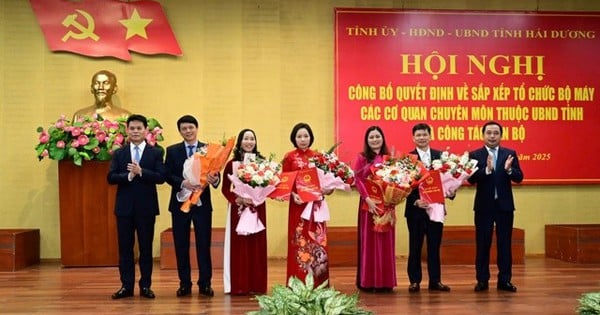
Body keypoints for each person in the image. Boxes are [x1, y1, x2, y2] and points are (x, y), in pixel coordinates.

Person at [107, 114, 166, 299]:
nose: (135, 131)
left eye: (139, 128)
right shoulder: (119, 153)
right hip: (124, 208)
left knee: (146, 248)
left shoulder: (155, 152)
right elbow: (111, 177)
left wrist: (141, 172)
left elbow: (160, 177)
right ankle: (126, 286)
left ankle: (146, 286)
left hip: (146, 208)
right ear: (127, 130)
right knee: (125, 248)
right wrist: (128, 177)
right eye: (132, 128)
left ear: (146, 131)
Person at [164, 115, 221, 298]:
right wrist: (183, 183)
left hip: (202, 206)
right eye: (184, 128)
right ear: (180, 131)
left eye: (191, 127)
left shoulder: (209, 150)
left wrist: (214, 179)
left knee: (204, 245)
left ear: (197, 128)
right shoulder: (172, 151)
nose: (188, 131)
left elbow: (215, 176)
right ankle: (184, 283)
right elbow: (167, 175)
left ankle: (205, 283)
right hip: (180, 204)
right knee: (181, 245)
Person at [467, 121, 523, 293]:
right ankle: (482, 280)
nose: (492, 136)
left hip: (504, 206)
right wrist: (486, 170)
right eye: (489, 133)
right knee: (482, 244)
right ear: (483, 135)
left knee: (505, 244)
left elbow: (519, 177)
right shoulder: (475, 154)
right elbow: (470, 178)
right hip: (484, 206)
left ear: (501, 135)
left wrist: (508, 170)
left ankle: (504, 280)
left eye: (495, 133)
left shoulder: (509, 154)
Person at [281, 122, 333, 287]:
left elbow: (328, 181)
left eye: (306, 136)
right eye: (299, 136)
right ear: (294, 139)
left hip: (316, 208)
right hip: (298, 206)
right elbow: (283, 183)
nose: (303, 139)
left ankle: (319, 282)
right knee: (299, 241)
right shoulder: (289, 157)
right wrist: (293, 195)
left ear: (311, 137)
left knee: (317, 241)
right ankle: (297, 283)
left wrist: (328, 189)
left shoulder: (319, 157)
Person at [404, 123, 451, 293]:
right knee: (415, 245)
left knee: (434, 245)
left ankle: (435, 281)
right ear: (413, 138)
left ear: (430, 136)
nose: (422, 137)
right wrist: (415, 200)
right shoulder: (408, 158)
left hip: (436, 209)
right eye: (418, 135)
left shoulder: (441, 157)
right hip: (416, 210)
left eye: (425, 134)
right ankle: (414, 281)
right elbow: (403, 184)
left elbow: (447, 181)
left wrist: (450, 191)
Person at [221, 129, 268, 295]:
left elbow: (271, 185)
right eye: (246, 139)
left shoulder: (263, 164)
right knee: (240, 246)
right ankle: (240, 285)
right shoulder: (231, 164)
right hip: (238, 209)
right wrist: (238, 200)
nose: (249, 142)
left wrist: (258, 196)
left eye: (252, 139)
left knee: (257, 245)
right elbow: (225, 189)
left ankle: (257, 284)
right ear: (240, 142)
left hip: (257, 208)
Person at [353, 125, 396, 292]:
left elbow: (396, 180)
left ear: (382, 138)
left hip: (386, 205)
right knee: (369, 243)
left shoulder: (389, 158)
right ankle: (368, 281)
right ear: (367, 140)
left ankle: (385, 282)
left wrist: (392, 197)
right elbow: (358, 180)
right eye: (371, 137)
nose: (375, 139)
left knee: (386, 243)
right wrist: (368, 199)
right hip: (368, 206)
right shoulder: (362, 158)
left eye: (377, 136)